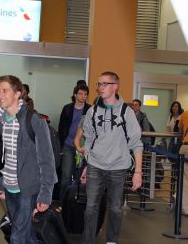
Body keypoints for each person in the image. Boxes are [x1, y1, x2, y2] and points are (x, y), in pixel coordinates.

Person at [0, 75, 56, 244]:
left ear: (18, 93)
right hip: (8, 185)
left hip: (29, 188)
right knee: (26, 234)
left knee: (17, 235)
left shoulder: (34, 120)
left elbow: (47, 159)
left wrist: (45, 194)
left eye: (5, 91)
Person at [81, 71, 143, 244]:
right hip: (95, 166)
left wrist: (137, 171)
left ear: (115, 86)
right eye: (99, 84)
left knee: (115, 209)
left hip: (118, 168)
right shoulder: (92, 111)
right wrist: (87, 162)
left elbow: (136, 143)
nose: (100, 87)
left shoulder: (127, 113)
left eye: (104, 84)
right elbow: (89, 139)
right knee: (90, 208)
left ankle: (111, 241)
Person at [57, 83, 90, 208]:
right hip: (68, 145)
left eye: (85, 94)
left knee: (79, 176)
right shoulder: (67, 108)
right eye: (80, 93)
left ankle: (74, 203)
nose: (83, 96)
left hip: (83, 147)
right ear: (75, 94)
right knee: (65, 175)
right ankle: (61, 203)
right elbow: (61, 128)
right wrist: (60, 147)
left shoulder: (90, 110)